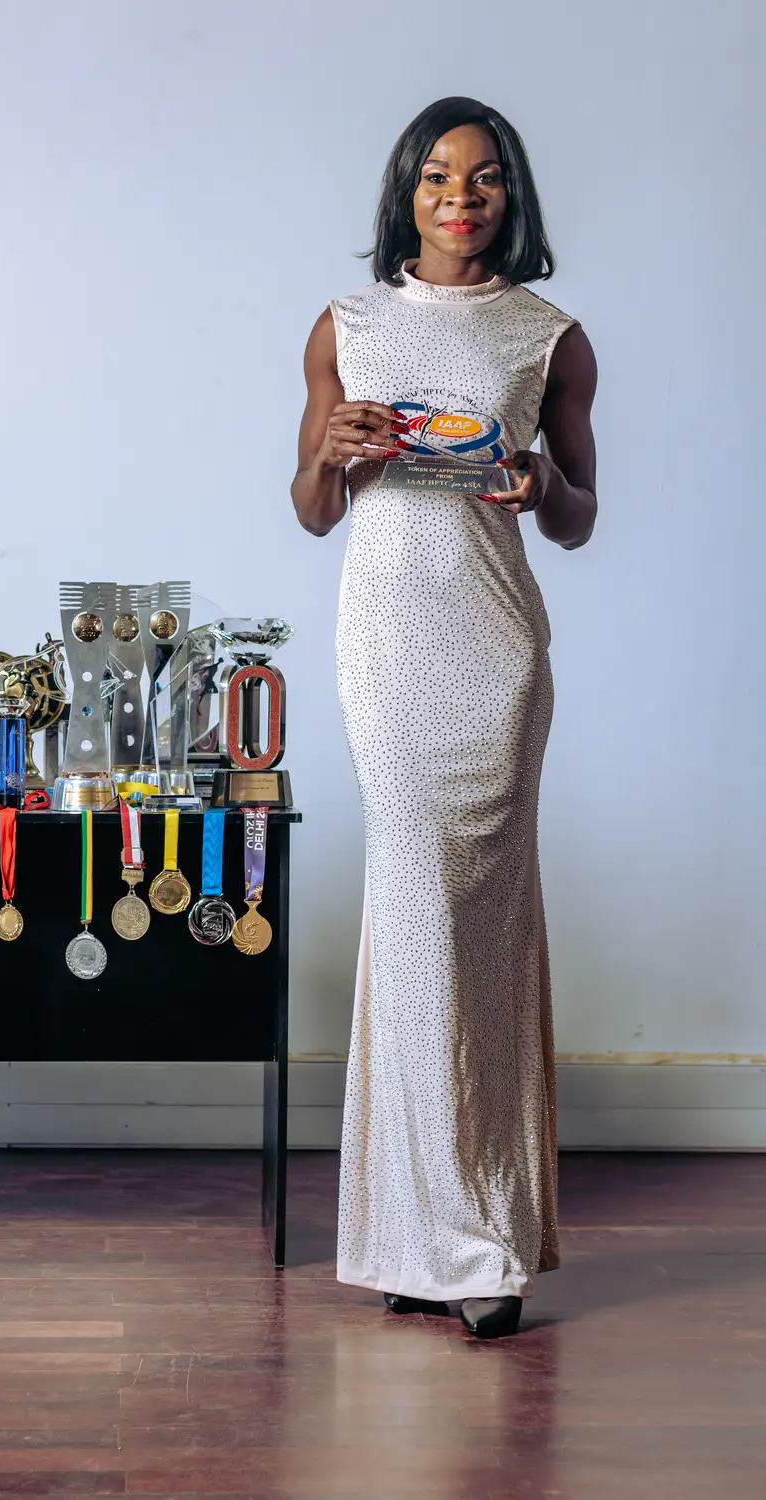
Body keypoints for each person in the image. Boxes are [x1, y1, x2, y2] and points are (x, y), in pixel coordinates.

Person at [291, 97, 597, 1339]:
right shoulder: (346, 326)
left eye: (480, 180)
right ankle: (432, 1237)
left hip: (495, 647)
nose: (457, 197)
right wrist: (341, 458)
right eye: (433, 177)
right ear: (404, 193)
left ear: (510, 198)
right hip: (388, 643)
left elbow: (580, 517)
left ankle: (475, 1240)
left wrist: (541, 482)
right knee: (413, 915)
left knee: (484, 923)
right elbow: (312, 507)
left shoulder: (551, 336)